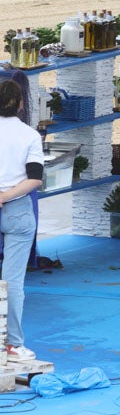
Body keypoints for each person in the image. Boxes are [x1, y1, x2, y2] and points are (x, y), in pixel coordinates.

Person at [0, 79, 44, 362]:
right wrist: (5, 196)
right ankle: (12, 344)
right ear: (20, 104)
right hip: (16, 209)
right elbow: (35, 179)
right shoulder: (29, 135)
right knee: (12, 281)